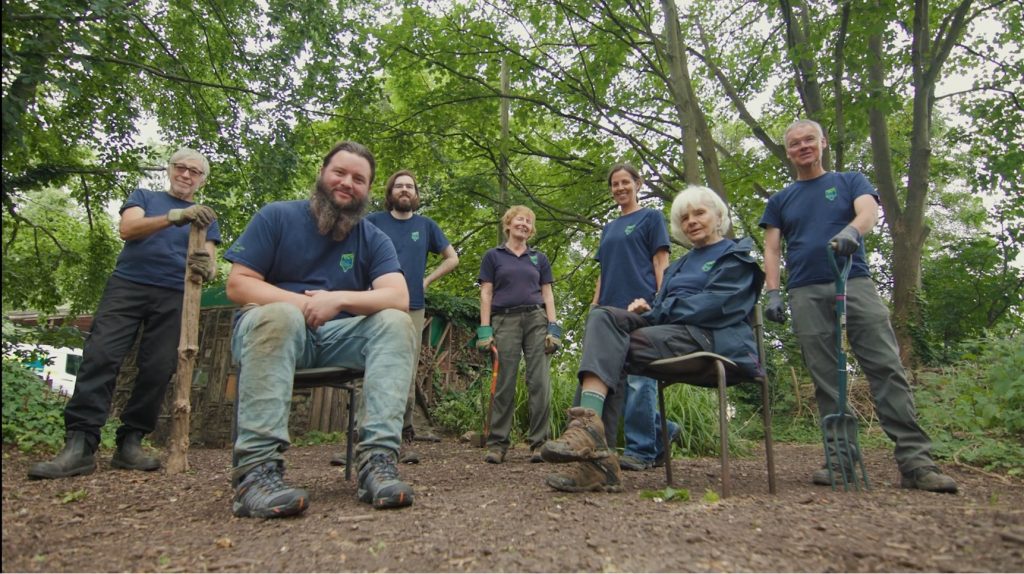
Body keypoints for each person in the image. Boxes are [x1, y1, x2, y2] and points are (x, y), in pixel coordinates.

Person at [759, 119, 957, 493]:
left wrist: (853, 230)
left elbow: (868, 212)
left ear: (823, 143)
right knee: (825, 379)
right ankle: (840, 462)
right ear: (788, 152)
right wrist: (773, 292)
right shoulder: (780, 200)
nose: (803, 147)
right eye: (795, 143)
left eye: (809, 140)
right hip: (804, 289)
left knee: (886, 366)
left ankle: (916, 463)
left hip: (854, 280)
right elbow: (772, 248)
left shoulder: (849, 181)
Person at [224, 141, 417, 518]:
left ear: (368, 190)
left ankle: (376, 463)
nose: (348, 183)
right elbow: (239, 284)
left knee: (396, 322)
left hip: (334, 339)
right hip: (271, 332)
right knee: (280, 315)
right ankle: (256, 474)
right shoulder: (276, 217)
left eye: (359, 179)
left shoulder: (373, 238)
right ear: (322, 174)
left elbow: (398, 296)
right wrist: (303, 305)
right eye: (340, 173)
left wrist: (339, 300)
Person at [540, 185, 763, 492]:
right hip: (672, 332)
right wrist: (649, 309)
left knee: (610, 349)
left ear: (719, 216)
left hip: (711, 339)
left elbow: (717, 305)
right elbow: (663, 310)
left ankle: (591, 446)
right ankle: (590, 438)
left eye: (699, 213)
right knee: (602, 317)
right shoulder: (680, 266)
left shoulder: (736, 255)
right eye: (685, 218)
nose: (692, 221)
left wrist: (661, 309)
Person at [28, 148, 221, 480]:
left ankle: (130, 442)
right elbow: (128, 229)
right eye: (181, 167)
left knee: (158, 369)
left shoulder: (206, 216)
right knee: (100, 356)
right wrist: (176, 216)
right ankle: (80, 444)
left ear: (202, 180)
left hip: (175, 294)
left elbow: (211, 261)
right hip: (128, 286)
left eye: (195, 171)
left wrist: (208, 269)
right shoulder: (144, 196)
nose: (186, 175)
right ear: (170, 169)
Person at [590, 163, 680, 472]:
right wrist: (594, 306)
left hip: (642, 308)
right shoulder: (609, 227)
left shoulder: (651, 217)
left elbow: (661, 262)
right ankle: (663, 432)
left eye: (625, 182)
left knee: (643, 379)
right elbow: (603, 272)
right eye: (615, 184)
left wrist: (661, 303)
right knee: (621, 382)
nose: (620, 188)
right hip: (610, 312)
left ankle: (641, 450)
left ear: (638, 184)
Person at [365, 170, 459, 463]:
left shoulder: (426, 226)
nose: (404, 190)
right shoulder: (372, 222)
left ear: (416, 194)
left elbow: (452, 258)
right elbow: (351, 253)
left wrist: (426, 281)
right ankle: (362, 437)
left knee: (404, 370)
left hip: (412, 306)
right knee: (368, 367)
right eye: (399, 186)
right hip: (375, 304)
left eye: (410, 186)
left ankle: (400, 436)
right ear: (390, 192)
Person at [476, 205, 561, 464]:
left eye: (528, 221)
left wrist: (553, 327)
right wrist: (485, 329)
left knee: (539, 383)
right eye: (519, 220)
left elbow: (547, 294)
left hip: (536, 319)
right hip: (505, 320)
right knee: (504, 382)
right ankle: (498, 444)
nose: (524, 224)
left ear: (531, 229)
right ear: (509, 224)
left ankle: (539, 444)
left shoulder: (539, 258)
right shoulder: (494, 256)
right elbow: (486, 293)